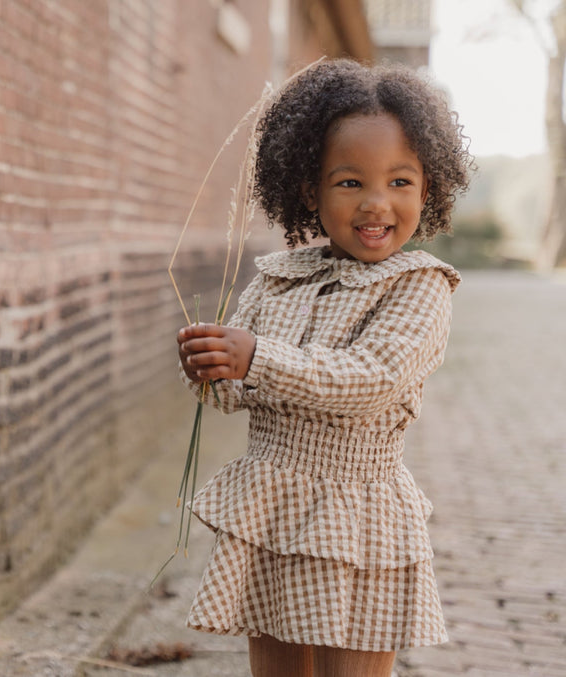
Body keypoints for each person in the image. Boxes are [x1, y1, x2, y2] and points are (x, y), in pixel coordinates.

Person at [176, 59, 473, 676]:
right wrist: (210, 368)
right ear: (309, 189)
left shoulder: (419, 288)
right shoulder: (279, 279)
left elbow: (369, 379)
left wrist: (255, 358)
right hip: (273, 508)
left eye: (400, 182)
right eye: (348, 183)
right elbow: (237, 396)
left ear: (429, 189)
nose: (376, 204)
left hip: (359, 520)